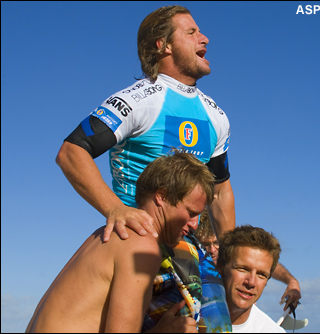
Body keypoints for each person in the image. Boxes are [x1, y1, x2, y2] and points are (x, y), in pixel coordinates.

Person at [55, 4, 301, 310]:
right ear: (163, 45)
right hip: (138, 245)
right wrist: (115, 209)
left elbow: (221, 190)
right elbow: (71, 152)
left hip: (190, 254)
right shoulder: (138, 100)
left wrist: (226, 254)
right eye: (192, 32)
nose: (205, 38)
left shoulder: (216, 116)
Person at [26, 153, 214, 333]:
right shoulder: (142, 245)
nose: (194, 225)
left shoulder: (103, 236)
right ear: (162, 196)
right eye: (190, 212)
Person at [217, 225, 286, 333]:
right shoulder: (188, 315)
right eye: (243, 269)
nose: (251, 282)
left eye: (261, 275)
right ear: (221, 267)